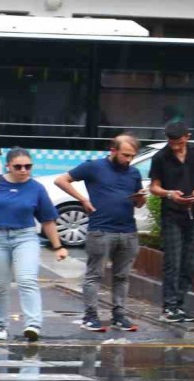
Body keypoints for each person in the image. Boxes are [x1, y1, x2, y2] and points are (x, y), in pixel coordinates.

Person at [0, 148, 69, 343]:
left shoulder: (36, 188)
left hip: (25, 237)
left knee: (27, 280)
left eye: (28, 166)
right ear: (8, 166)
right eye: (18, 166)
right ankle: (0, 325)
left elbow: (47, 219)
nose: (23, 170)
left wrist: (58, 246)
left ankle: (33, 325)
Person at [54, 134, 147, 332]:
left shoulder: (134, 173)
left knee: (122, 276)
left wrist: (140, 198)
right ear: (113, 150)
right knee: (95, 275)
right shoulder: (94, 167)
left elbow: (139, 203)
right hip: (101, 230)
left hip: (128, 231)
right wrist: (83, 199)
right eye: (125, 155)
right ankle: (90, 316)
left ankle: (119, 316)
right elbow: (61, 180)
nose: (129, 160)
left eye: (132, 156)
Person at [148, 122, 194, 323]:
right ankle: (169, 306)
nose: (175, 147)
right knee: (172, 261)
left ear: (187, 137)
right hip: (172, 214)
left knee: (191, 261)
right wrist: (169, 194)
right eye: (172, 143)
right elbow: (154, 187)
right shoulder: (160, 157)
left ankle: (180, 305)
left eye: (179, 143)